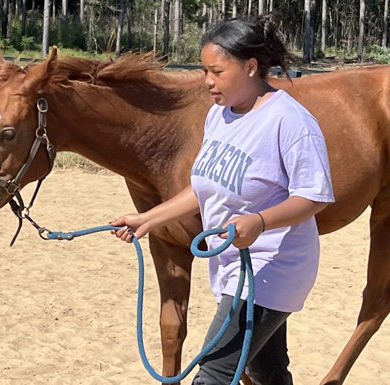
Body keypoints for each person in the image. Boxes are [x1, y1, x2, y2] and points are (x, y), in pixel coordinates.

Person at [110, 13, 334, 385]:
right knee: (267, 371)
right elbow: (203, 185)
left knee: (214, 372)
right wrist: (147, 219)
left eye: (217, 71)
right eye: (204, 71)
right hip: (233, 265)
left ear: (250, 67)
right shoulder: (219, 116)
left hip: (272, 266)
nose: (208, 81)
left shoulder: (290, 121)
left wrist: (259, 222)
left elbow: (314, 196)